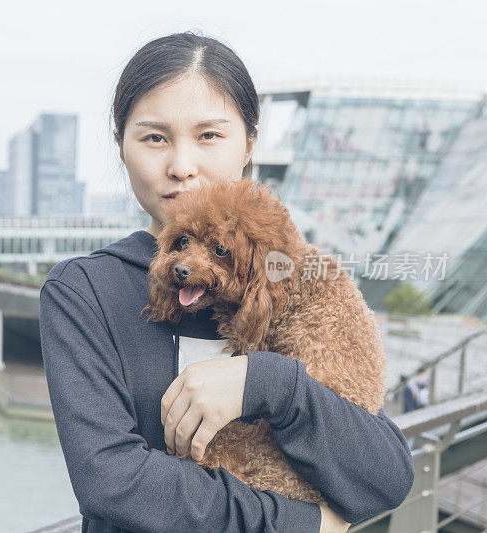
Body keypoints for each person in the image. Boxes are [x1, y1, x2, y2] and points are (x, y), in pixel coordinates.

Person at [38, 31, 414, 533]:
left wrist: (268, 383)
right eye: (154, 137)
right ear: (121, 146)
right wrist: (298, 525)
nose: (181, 167)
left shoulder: (290, 277)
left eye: (209, 136)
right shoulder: (84, 291)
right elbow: (112, 480)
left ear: (249, 145)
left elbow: (386, 477)